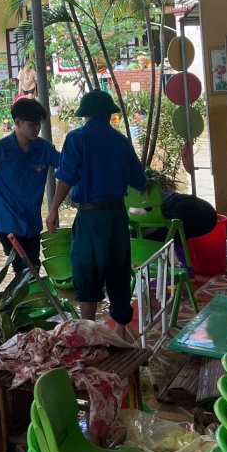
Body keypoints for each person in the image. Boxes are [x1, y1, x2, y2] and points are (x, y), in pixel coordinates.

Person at [46, 89, 146, 325]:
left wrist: (53, 210)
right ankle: (124, 336)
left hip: (90, 218)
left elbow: (67, 177)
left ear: (86, 115)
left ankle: (88, 332)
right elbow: (140, 183)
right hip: (118, 218)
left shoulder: (76, 138)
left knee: (86, 271)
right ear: (109, 116)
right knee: (119, 271)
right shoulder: (122, 141)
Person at [0, 97, 59, 262]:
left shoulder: (45, 149)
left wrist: (54, 209)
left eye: (39, 124)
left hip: (33, 223)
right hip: (7, 224)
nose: (37, 129)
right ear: (18, 122)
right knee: (23, 268)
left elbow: (68, 168)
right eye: (32, 124)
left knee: (34, 265)